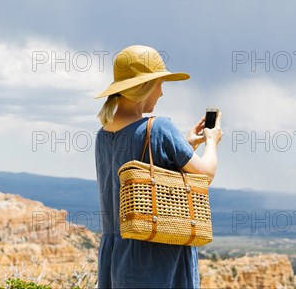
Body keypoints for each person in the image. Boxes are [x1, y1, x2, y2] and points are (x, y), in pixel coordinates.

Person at [94, 45, 223, 288]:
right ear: (146, 86)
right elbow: (206, 176)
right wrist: (211, 142)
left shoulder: (103, 134)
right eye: (160, 84)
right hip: (157, 257)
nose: (162, 92)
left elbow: (146, 171)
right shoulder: (160, 127)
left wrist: (185, 145)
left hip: (116, 258)